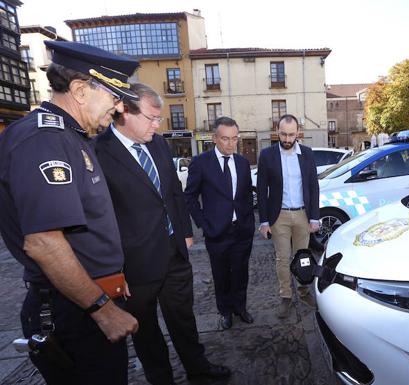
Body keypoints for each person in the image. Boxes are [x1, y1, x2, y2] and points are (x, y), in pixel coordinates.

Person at [0, 41, 139, 385]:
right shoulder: (44, 140)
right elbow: (44, 243)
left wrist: (114, 284)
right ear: (79, 90)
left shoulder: (72, 137)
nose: (120, 108)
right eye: (114, 96)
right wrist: (103, 311)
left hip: (88, 300)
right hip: (75, 312)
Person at [94, 84, 231, 385]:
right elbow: (99, 218)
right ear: (125, 111)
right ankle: (161, 378)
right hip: (135, 263)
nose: (157, 126)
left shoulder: (156, 143)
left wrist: (184, 232)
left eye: (160, 119)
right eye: (152, 118)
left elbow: (173, 191)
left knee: (184, 319)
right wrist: (114, 269)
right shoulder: (97, 152)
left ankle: (199, 370)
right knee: (145, 330)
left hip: (174, 254)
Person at [185, 117, 255, 330]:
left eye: (234, 139)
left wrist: (249, 221)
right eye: (225, 139)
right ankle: (225, 312)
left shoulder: (243, 163)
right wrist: (204, 225)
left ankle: (240, 308)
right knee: (221, 275)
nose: (230, 144)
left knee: (241, 273)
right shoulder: (200, 163)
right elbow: (189, 197)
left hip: (242, 231)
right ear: (215, 138)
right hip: (217, 233)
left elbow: (243, 195)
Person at [256, 114, 320, 319]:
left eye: (291, 134)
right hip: (279, 217)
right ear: (277, 131)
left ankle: (303, 291)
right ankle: (286, 296)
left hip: (302, 215)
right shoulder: (267, 155)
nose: (286, 138)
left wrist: (315, 217)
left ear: (298, 133)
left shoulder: (307, 154)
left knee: (303, 258)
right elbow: (261, 189)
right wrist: (264, 221)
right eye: (283, 134)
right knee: (282, 259)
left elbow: (313, 186)